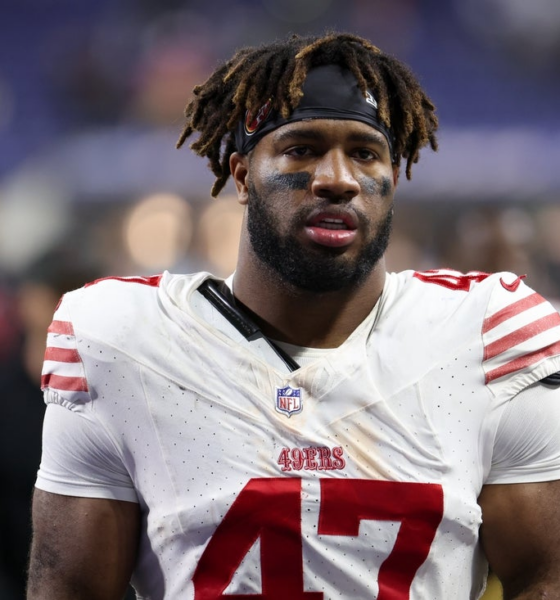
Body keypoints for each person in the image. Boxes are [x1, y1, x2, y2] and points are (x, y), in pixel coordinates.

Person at [27, 32, 560, 600]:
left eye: (365, 153)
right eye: (302, 149)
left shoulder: (488, 335)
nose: (338, 179)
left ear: (393, 179)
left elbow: (545, 576)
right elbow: (70, 588)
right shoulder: (122, 340)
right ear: (241, 176)